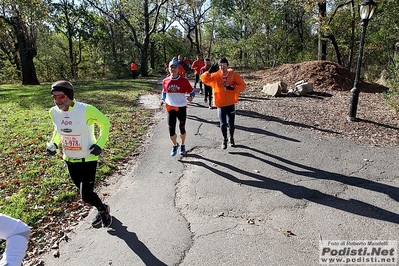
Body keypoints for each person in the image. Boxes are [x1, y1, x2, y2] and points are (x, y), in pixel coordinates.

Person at [46, 80, 112, 227]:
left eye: (61, 96)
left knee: (86, 195)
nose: (57, 100)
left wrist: (100, 144)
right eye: (54, 97)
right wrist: (54, 144)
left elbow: (105, 124)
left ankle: (103, 210)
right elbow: (58, 130)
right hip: (69, 159)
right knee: (86, 194)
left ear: (69, 95)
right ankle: (102, 207)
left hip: (88, 158)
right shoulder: (53, 112)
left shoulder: (86, 110)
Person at [200, 58, 246, 149]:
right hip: (220, 104)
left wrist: (234, 88)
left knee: (231, 124)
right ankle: (224, 139)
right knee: (223, 124)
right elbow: (204, 80)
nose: (222, 67)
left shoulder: (233, 75)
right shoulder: (215, 76)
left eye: (224, 65)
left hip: (230, 103)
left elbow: (243, 85)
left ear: (227, 66)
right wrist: (208, 72)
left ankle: (231, 138)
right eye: (220, 65)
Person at [161, 60, 195, 156]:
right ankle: (175, 145)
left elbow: (192, 92)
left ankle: (183, 145)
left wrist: (191, 97)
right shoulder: (165, 81)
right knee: (171, 132)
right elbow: (164, 92)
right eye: (171, 67)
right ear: (169, 69)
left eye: (175, 67)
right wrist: (162, 99)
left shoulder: (184, 81)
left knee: (182, 129)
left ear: (178, 69)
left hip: (181, 108)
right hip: (170, 108)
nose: (173, 69)